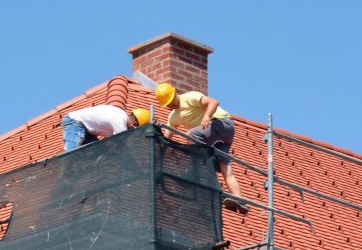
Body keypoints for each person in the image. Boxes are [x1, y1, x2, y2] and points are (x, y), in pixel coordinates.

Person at [155, 82, 248, 214]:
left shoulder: (190, 97)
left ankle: (195, 171)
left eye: (171, 101)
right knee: (224, 168)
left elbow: (214, 102)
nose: (170, 105)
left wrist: (206, 116)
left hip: (222, 124)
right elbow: (167, 138)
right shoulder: (173, 117)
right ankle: (240, 201)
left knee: (191, 135)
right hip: (216, 139)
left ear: (175, 93)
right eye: (167, 104)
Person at [61, 106, 151, 151]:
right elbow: (121, 146)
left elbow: (110, 142)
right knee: (71, 152)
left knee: (95, 153)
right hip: (75, 122)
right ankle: (63, 176)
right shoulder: (120, 122)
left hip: (87, 130)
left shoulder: (120, 115)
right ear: (134, 124)